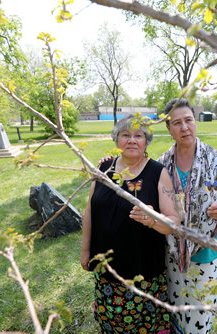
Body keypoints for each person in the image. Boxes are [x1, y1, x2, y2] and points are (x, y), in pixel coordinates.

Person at [80, 114, 180, 334]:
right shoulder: (104, 167)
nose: (132, 140)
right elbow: (89, 210)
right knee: (111, 324)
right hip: (107, 269)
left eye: (138, 135)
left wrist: (153, 220)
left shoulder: (157, 172)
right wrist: (85, 250)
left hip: (143, 271)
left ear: (146, 142)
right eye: (125, 135)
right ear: (117, 140)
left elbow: (173, 223)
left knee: (143, 326)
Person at [158, 98, 217, 334]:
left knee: (200, 316)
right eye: (177, 123)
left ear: (196, 122)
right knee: (176, 310)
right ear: (169, 129)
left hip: (206, 255)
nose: (184, 127)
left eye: (189, 120)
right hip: (172, 254)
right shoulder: (162, 165)